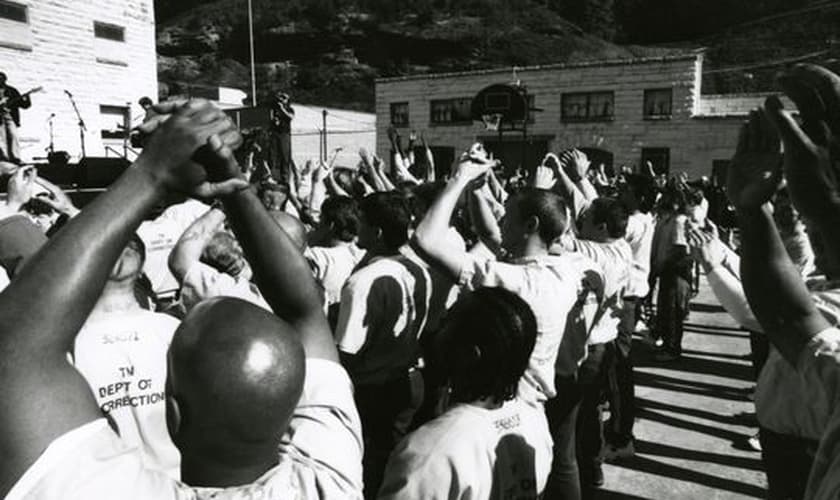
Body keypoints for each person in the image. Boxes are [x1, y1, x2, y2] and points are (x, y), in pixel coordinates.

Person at [0, 99, 363, 499]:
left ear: (174, 416)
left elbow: (14, 346)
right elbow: (305, 311)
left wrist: (153, 172)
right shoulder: (329, 480)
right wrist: (233, 184)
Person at [378, 288, 552, 499]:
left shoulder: (431, 453)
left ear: (469, 355)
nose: (434, 330)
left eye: (445, 323)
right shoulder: (534, 422)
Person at [334, 191, 432, 498]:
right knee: (395, 462)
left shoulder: (362, 282)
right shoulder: (418, 270)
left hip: (373, 390)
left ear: (376, 231)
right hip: (410, 379)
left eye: (361, 223)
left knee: (371, 470)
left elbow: (346, 350)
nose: (355, 229)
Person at [72, 235, 181, 478]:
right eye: (114, 239)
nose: (124, 240)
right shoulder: (69, 344)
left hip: (180, 484)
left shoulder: (172, 329)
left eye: (131, 240)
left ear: (143, 268)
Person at [305, 195, 365, 321]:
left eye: (321, 218)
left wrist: (309, 238)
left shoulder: (318, 257)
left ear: (330, 225)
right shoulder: (362, 255)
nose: (317, 223)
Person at [0, 72, 31, 164]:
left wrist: (27, 98)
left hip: (10, 117)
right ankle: (3, 157)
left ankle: (15, 157)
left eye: (1, 79)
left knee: (13, 135)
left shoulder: (12, 91)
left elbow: (24, 105)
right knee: (1, 138)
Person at [268, 92, 295, 185]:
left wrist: (282, 109)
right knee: (274, 156)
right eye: (280, 98)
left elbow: (290, 117)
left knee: (285, 156)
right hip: (275, 134)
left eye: (284, 98)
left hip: (284, 134)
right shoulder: (274, 109)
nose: (282, 100)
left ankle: (285, 179)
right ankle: (275, 176)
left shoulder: (289, 109)